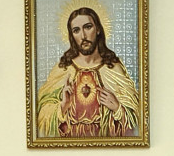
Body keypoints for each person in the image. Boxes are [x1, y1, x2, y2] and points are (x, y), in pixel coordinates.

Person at [36, 8, 140, 138]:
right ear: (72, 36)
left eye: (88, 27)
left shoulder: (113, 69)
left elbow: (139, 120)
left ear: (98, 29)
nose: (83, 36)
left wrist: (118, 108)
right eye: (76, 30)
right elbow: (40, 118)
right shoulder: (63, 69)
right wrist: (62, 106)